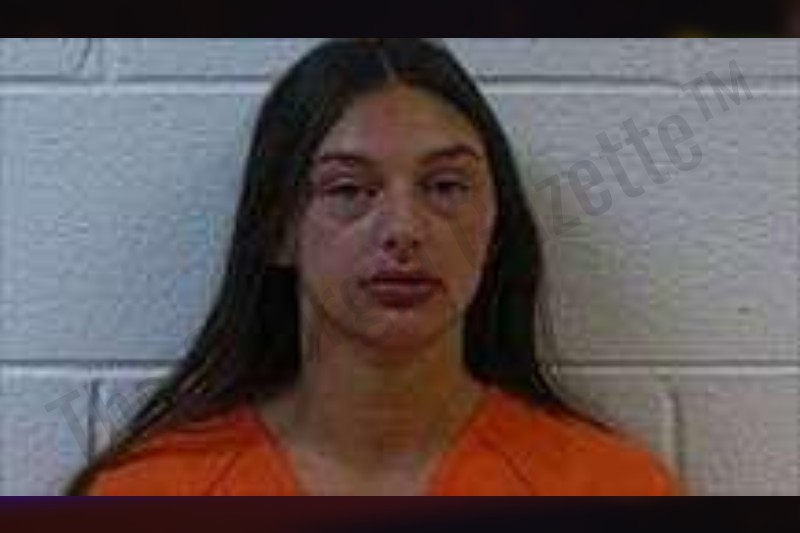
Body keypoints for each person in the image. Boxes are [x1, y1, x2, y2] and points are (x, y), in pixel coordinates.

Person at [65, 38, 683, 496]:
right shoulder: (151, 492)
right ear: (278, 227)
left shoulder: (613, 486)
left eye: (445, 186)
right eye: (349, 190)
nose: (403, 230)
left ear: (496, 227)